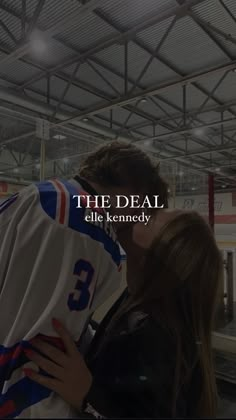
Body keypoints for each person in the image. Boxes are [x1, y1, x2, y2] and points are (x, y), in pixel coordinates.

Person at [0, 140, 168, 418]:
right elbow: (42, 361)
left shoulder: (41, 193)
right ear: (136, 192)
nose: (139, 220)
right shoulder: (88, 227)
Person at [24, 209, 223, 418]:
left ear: (155, 257)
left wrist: (87, 396)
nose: (138, 214)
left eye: (149, 219)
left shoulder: (159, 343)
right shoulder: (136, 300)